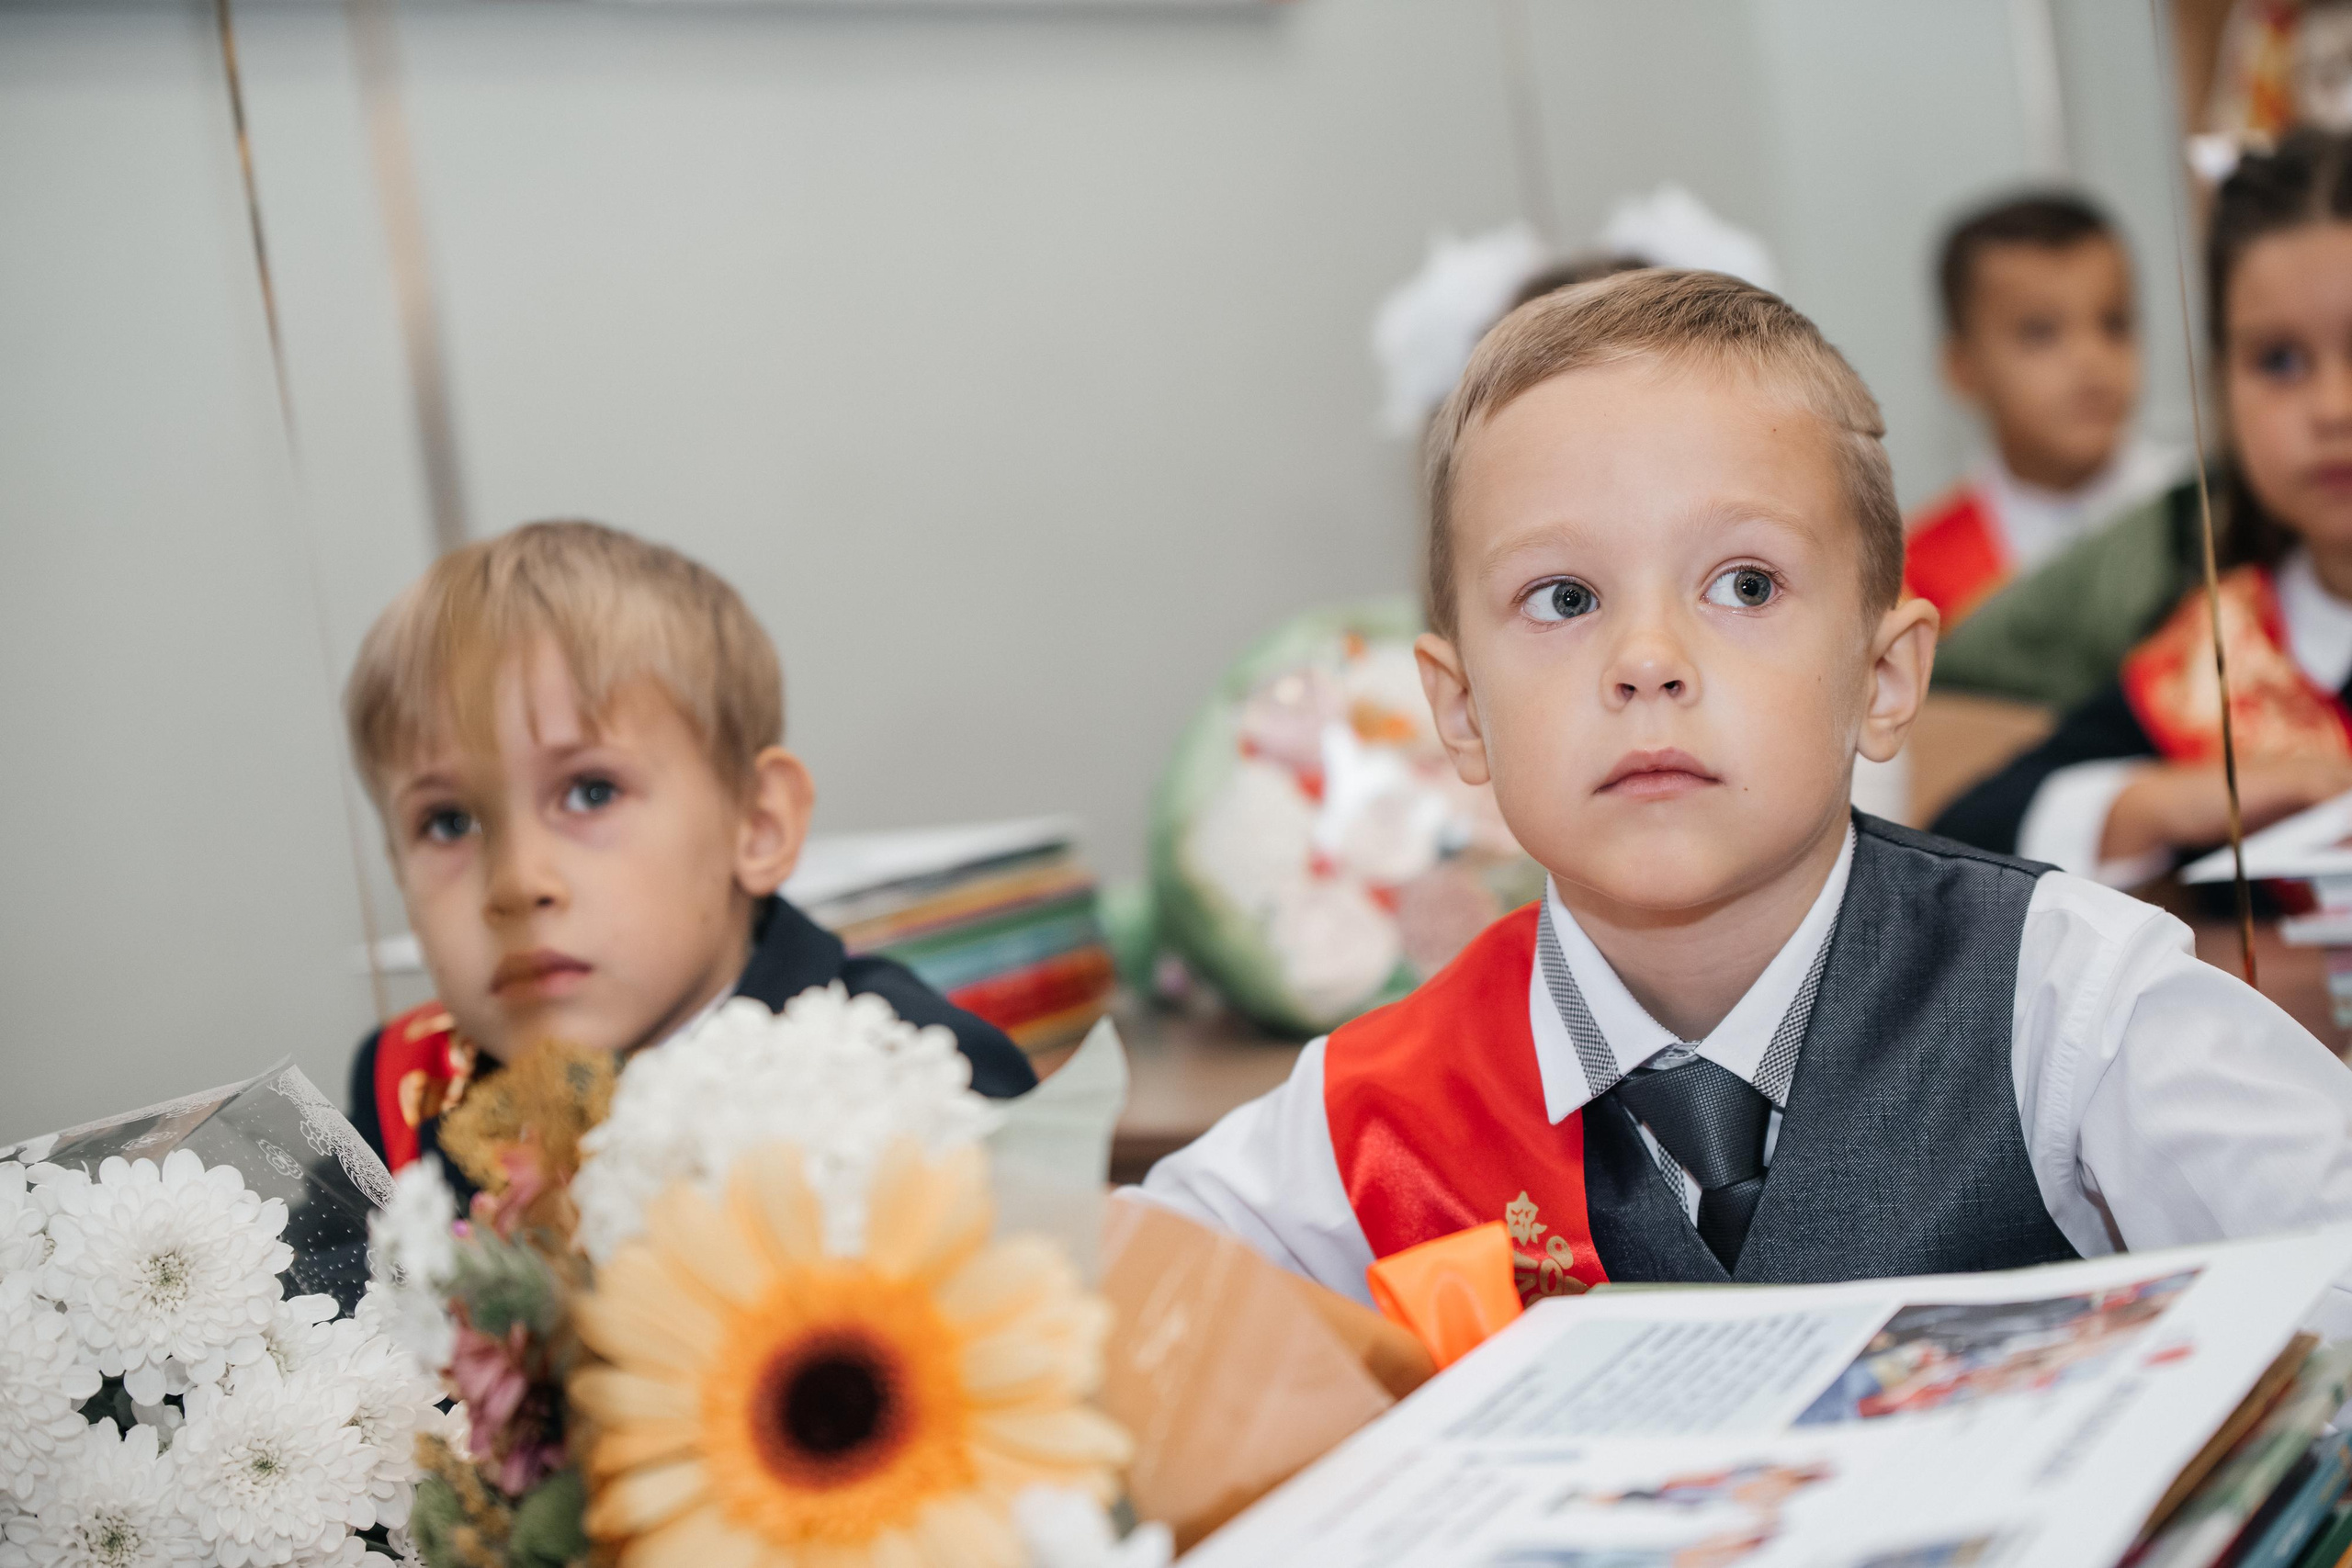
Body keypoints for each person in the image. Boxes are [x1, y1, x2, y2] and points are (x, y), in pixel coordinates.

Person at [1139, 268, 2352, 1319]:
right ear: (1461, 712)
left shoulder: (2070, 1004)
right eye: (1566, 598)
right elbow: (1111, 1324)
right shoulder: (1377, 1107)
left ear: (1882, 677)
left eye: (1745, 584)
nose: (1647, 657)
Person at [343, 521, 1034, 1185]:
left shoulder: (914, 1075)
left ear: (757, 824)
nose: (516, 883)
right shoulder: (408, 1088)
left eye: (589, 792)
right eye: (449, 820)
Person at [1935, 130, 2352, 878]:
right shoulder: (2216, 653)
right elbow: (1964, 835)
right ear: (2220, 379)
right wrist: (2155, 802)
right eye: (2279, 361)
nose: (2332, 407)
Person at [1905, 193, 2182, 628]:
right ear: (1963, 368)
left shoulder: (2196, 521)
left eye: (2114, 323)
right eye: (2041, 333)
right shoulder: (1916, 580)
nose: (2090, 358)